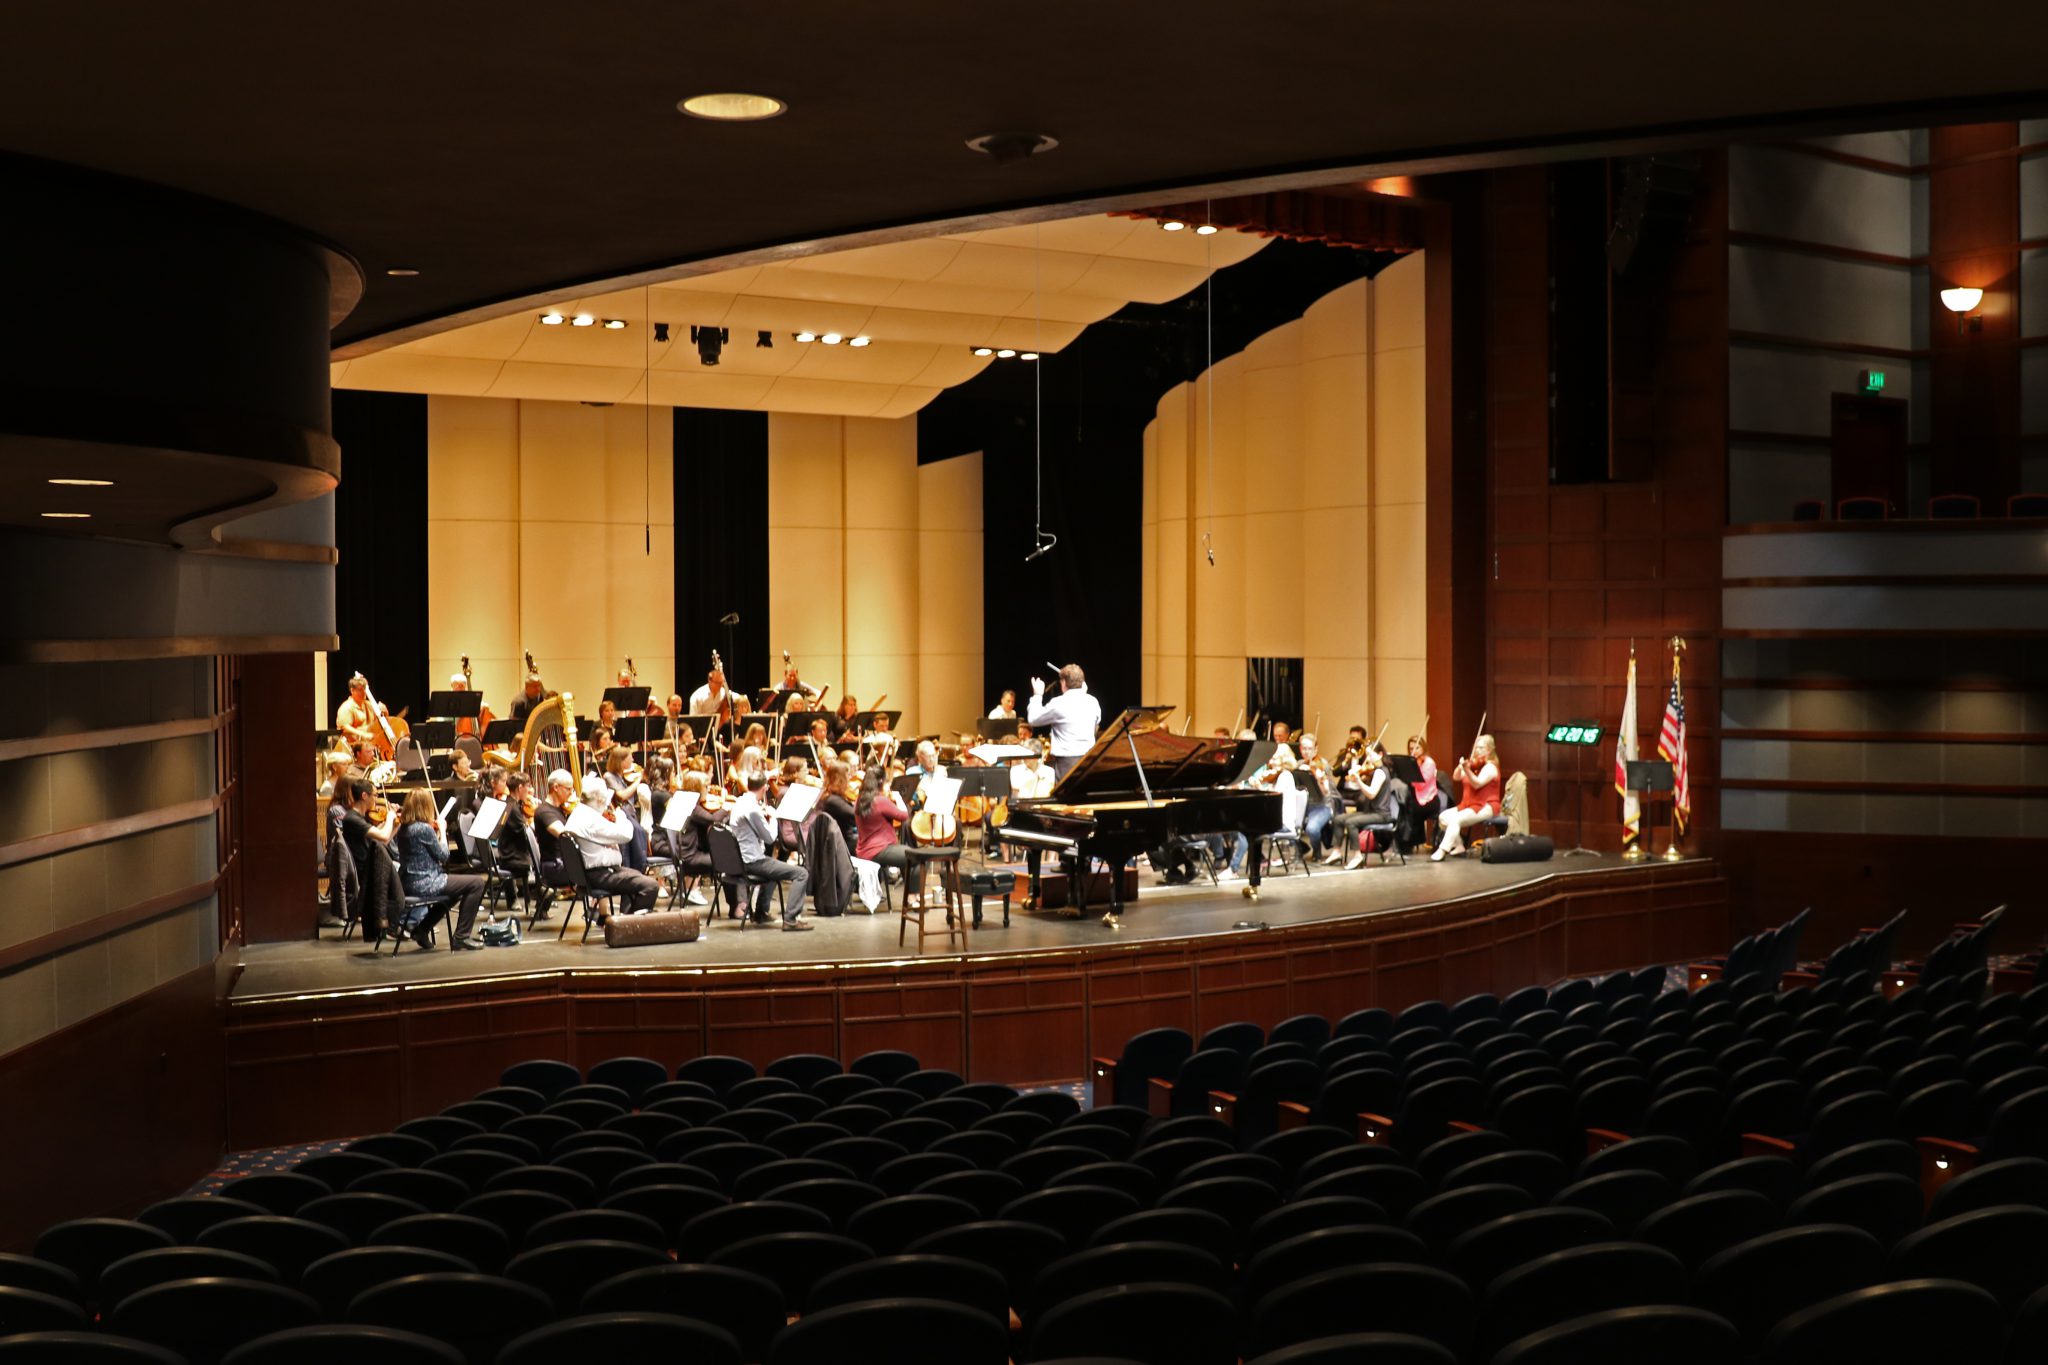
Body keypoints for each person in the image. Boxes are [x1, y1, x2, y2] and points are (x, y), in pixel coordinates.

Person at [393, 787, 486, 949]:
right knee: (477, 883)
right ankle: (461, 936)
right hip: (426, 882)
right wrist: (442, 831)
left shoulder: (404, 828)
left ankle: (421, 930)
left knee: (456, 892)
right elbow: (443, 855)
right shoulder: (423, 828)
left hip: (408, 881)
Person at [568, 774, 661, 913]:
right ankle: (630, 927)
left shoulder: (579, 812)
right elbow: (626, 835)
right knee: (650, 886)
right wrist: (620, 815)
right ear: (599, 799)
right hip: (599, 875)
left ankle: (628, 917)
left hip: (590, 874)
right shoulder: (591, 819)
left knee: (636, 875)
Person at [730, 770, 811, 929]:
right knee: (801, 874)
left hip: (741, 860)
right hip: (753, 862)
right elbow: (770, 838)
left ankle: (761, 913)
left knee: (776, 868)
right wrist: (773, 816)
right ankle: (791, 920)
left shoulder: (739, 803)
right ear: (765, 788)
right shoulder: (753, 809)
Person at [1027, 664, 1101, 782]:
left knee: (1066, 798)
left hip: (1067, 763)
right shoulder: (1093, 701)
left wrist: (1037, 695)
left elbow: (1033, 719)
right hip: (1089, 760)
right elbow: (1095, 725)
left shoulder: (1059, 703)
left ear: (1063, 683)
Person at [1434, 734, 1502, 861]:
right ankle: (1459, 845)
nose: (1477, 750)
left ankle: (1442, 850)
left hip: (1487, 805)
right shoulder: (1474, 765)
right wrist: (1461, 767)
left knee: (1456, 820)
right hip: (1469, 804)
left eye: (1481, 748)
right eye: (1476, 747)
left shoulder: (1490, 767)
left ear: (1489, 750)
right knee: (1443, 817)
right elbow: (1456, 777)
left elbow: (1477, 784)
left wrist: (1468, 770)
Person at [855, 763, 914, 905]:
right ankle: (913, 897)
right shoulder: (881, 801)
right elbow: (904, 816)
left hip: (864, 850)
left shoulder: (860, 800)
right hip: (879, 850)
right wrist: (899, 798)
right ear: (881, 782)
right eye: (887, 781)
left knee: (905, 855)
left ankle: (912, 897)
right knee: (914, 856)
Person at [1408, 734, 1443, 838]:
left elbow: (1420, 785)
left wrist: (1412, 773)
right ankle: (1412, 841)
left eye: (1417, 748)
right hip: (1417, 798)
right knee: (1404, 806)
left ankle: (1409, 841)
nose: (1413, 751)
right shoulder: (1412, 762)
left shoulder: (1429, 763)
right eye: (1411, 749)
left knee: (1410, 810)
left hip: (1430, 800)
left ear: (1423, 748)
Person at [335, 673, 381, 748]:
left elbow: (378, 723)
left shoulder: (369, 705)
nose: (364, 692)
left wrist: (384, 712)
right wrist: (363, 734)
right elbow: (345, 728)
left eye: (365, 690)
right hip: (353, 747)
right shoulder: (347, 707)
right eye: (360, 690)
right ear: (352, 691)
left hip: (368, 746)